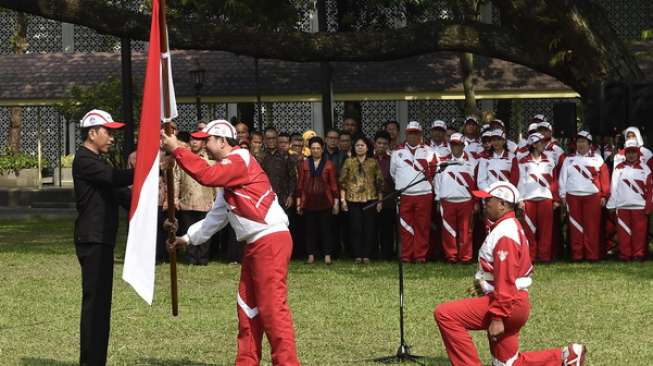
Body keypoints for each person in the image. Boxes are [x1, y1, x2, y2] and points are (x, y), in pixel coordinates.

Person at [162, 119, 301, 366]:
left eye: (207, 140)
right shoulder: (229, 178)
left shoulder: (241, 160)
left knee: (271, 308)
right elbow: (215, 219)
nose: (203, 145)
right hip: (256, 245)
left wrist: (177, 149)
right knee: (247, 307)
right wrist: (186, 239)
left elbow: (206, 174)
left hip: (269, 241)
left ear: (222, 141)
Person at [434, 181, 587, 366]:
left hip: (508, 305)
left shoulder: (505, 232)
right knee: (506, 364)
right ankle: (566, 356)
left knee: (445, 314)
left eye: (489, 199)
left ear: (503, 204)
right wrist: (486, 286)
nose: (485, 203)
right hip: (513, 303)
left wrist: (497, 317)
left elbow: (506, 278)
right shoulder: (509, 227)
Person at [73, 109, 133, 366]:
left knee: (101, 305)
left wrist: (153, 215)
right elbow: (115, 179)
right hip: (93, 239)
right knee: (95, 305)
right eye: (108, 132)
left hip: (102, 238)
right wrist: (148, 168)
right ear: (92, 132)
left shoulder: (98, 161)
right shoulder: (85, 159)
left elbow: (121, 196)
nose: (111, 138)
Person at [558, 131, 610, 261]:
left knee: (591, 227)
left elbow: (604, 178)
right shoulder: (568, 159)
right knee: (575, 227)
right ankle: (577, 255)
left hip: (592, 196)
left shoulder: (598, 159)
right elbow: (562, 178)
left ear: (590, 144)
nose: (580, 144)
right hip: (572, 196)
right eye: (579, 141)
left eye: (583, 142)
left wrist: (604, 195)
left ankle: (592, 255)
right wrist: (562, 195)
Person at [390, 121, 437, 263]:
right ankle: (406, 255)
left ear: (420, 135)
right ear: (406, 134)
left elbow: (434, 172)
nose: (412, 136)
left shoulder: (429, 151)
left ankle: (420, 256)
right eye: (410, 133)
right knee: (405, 226)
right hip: (405, 195)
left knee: (422, 226)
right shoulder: (397, 152)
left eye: (415, 133)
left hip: (424, 194)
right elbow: (393, 173)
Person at [434, 133, 478, 263]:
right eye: (453, 145)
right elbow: (437, 181)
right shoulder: (442, 162)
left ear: (464, 145)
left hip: (466, 200)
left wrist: (476, 201)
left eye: (458, 145)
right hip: (447, 200)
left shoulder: (472, 161)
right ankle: (451, 256)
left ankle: (465, 257)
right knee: (448, 230)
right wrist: (438, 199)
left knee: (466, 231)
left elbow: (476, 183)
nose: (455, 148)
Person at [514, 133, 559, 263]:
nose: (543, 144)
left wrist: (555, 199)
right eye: (540, 142)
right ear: (533, 144)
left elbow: (554, 181)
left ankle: (545, 256)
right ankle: (531, 256)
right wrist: (520, 200)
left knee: (546, 230)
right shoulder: (523, 161)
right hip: (529, 199)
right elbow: (520, 181)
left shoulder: (550, 160)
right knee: (529, 230)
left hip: (545, 198)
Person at [339, 137, 384, 264]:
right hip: (353, 200)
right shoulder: (349, 162)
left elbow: (380, 182)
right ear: (354, 148)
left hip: (371, 199)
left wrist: (380, 201)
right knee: (355, 228)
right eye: (357, 145)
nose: (360, 147)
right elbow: (342, 182)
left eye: (362, 145)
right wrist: (343, 200)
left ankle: (367, 255)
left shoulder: (373, 162)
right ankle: (357, 255)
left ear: (367, 147)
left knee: (369, 228)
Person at [606, 139, 652, 261]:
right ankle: (625, 255)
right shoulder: (618, 168)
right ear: (625, 153)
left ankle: (638, 255)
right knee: (623, 233)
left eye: (634, 152)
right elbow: (613, 187)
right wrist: (612, 205)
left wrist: (648, 206)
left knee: (639, 233)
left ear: (638, 153)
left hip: (639, 207)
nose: (631, 155)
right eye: (629, 152)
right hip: (622, 206)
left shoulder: (645, 169)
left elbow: (650, 190)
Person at [175, 132, 217, 265]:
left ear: (203, 143)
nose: (194, 142)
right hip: (187, 201)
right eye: (193, 139)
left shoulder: (210, 161)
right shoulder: (183, 159)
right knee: (188, 229)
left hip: (205, 200)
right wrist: (175, 198)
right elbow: (176, 179)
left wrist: (216, 199)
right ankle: (191, 258)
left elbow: (216, 181)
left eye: (198, 140)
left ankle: (203, 258)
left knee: (205, 229)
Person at [296, 136, 339, 264]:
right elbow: (300, 184)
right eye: (313, 148)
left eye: (318, 148)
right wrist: (298, 202)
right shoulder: (304, 164)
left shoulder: (329, 165)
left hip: (325, 201)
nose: (315, 150)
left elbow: (333, 185)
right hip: (308, 201)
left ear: (322, 149)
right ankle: (311, 255)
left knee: (326, 230)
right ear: (310, 149)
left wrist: (336, 202)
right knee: (310, 230)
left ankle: (327, 255)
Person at [259, 126, 297, 211]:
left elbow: (292, 177)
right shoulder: (260, 157)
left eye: (273, 138)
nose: (271, 141)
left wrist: (290, 195)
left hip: (283, 198)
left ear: (277, 139)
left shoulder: (285, 155)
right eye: (268, 138)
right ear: (264, 140)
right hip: (266, 199)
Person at [374, 131, 396, 260]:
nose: (381, 146)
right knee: (372, 228)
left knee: (387, 229)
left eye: (384, 143)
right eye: (379, 143)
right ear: (374, 143)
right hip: (372, 199)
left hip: (389, 199)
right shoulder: (369, 159)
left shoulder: (393, 159)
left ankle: (387, 254)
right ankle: (373, 253)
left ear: (389, 145)